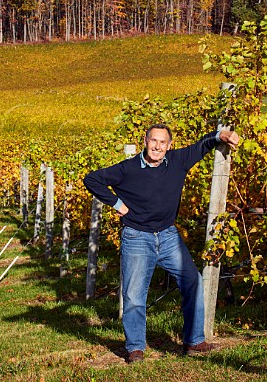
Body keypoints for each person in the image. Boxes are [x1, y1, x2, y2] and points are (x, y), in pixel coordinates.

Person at [83, 123, 239, 363]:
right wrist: (117, 205)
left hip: (168, 236)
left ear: (169, 145)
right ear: (145, 140)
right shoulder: (127, 169)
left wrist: (222, 135)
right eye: (153, 141)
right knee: (134, 295)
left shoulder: (177, 160)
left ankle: (194, 341)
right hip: (136, 237)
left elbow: (203, 144)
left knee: (192, 280)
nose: (157, 146)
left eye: (162, 142)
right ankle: (135, 348)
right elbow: (92, 180)